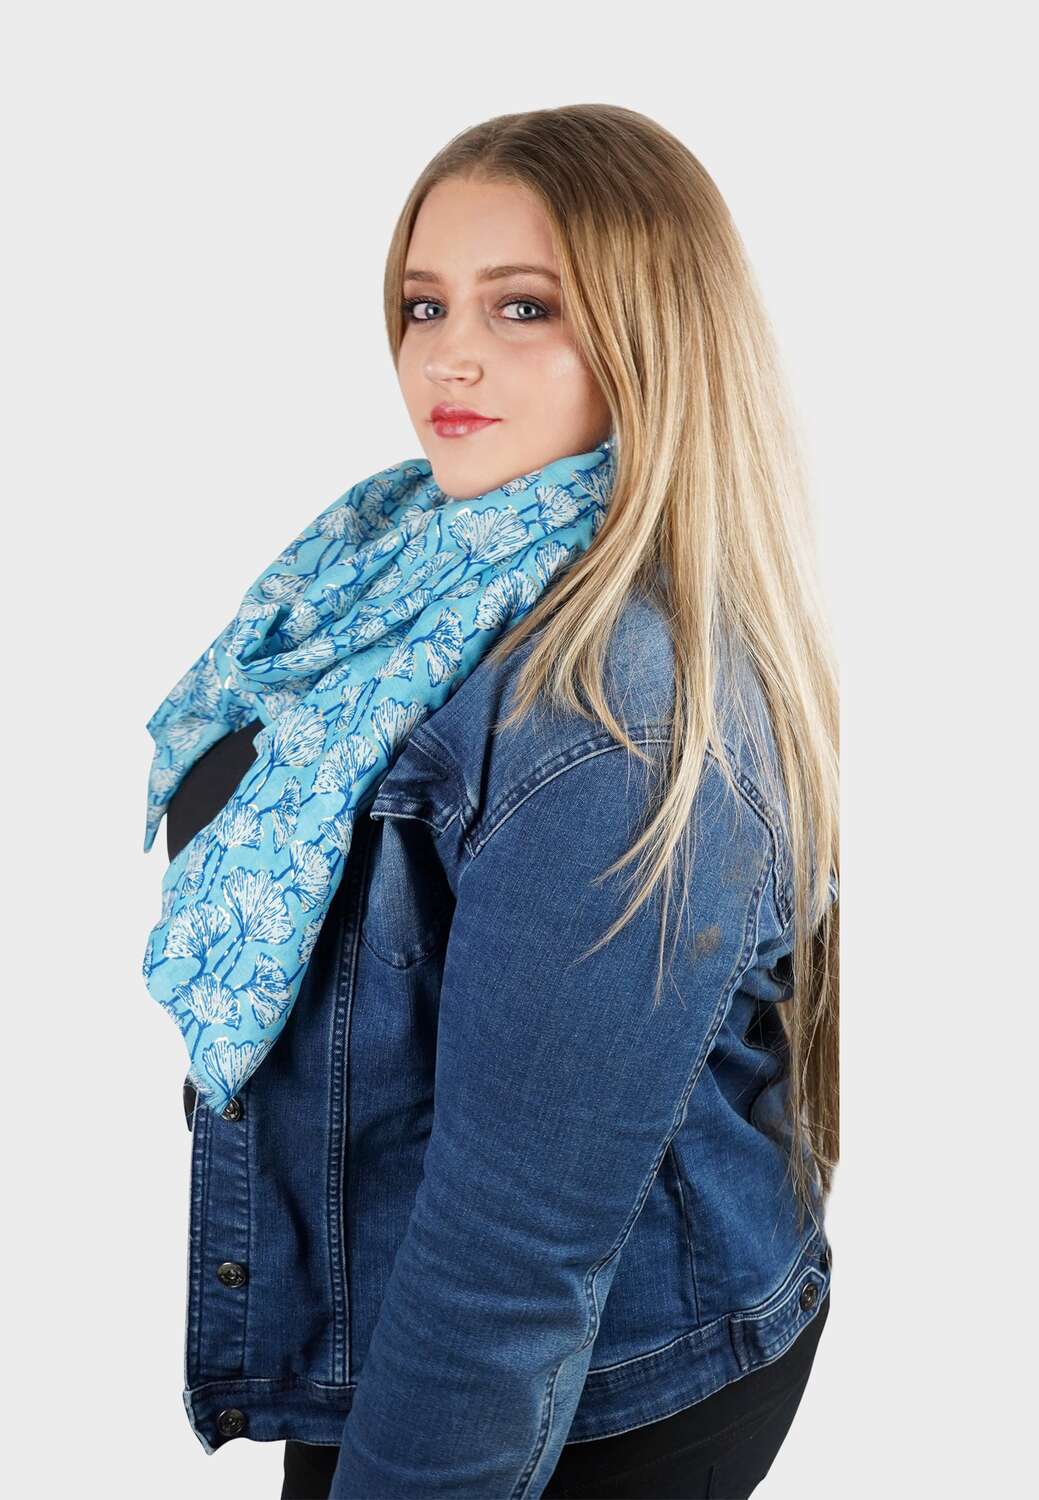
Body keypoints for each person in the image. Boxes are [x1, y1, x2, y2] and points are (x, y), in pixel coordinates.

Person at [160, 103, 839, 1499]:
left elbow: (511, 1258)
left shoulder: (615, 721)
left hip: (580, 1389)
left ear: (653, 336)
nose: (447, 356)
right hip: (399, 1309)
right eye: (426, 305)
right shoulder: (393, 560)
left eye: (523, 306)